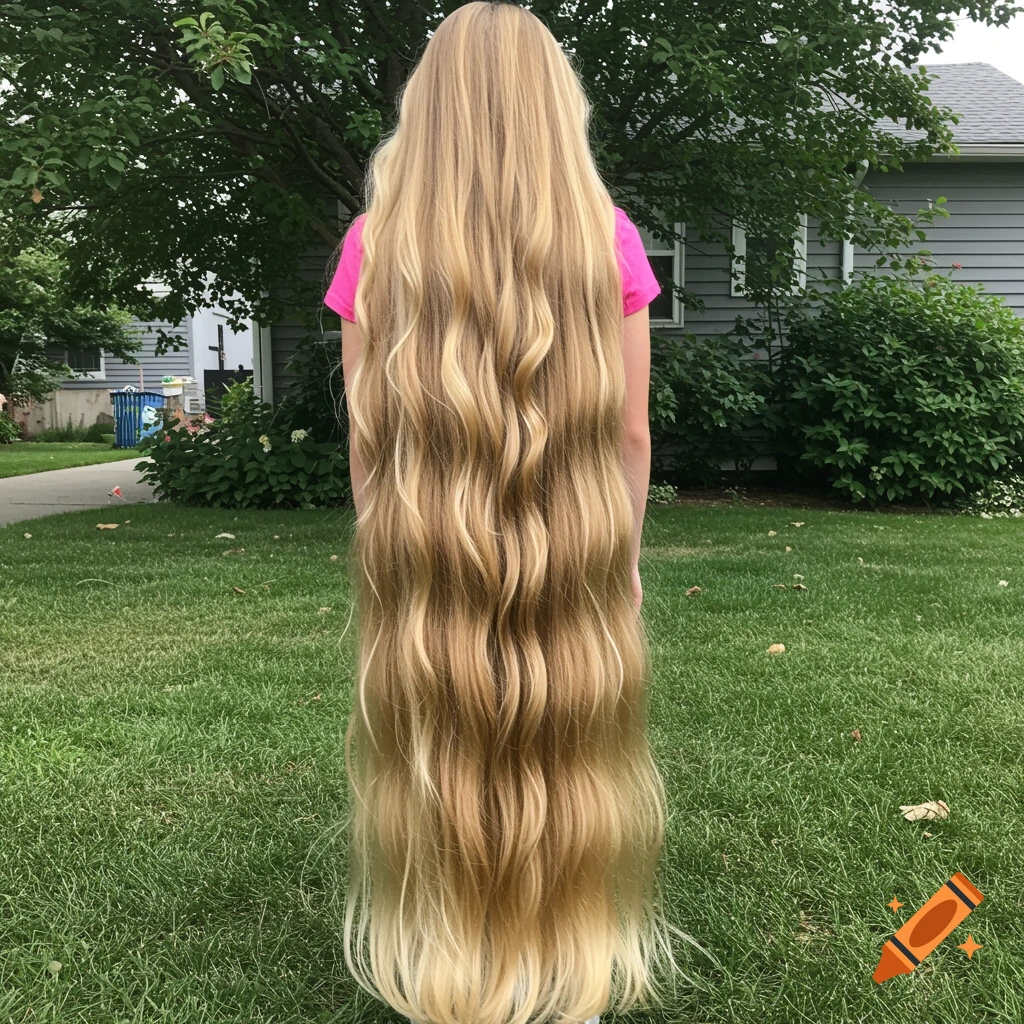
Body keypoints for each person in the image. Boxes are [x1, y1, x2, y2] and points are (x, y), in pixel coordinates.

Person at [322, 4, 683, 1022]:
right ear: (551, 108)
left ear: (424, 112)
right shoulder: (604, 241)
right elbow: (626, 436)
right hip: (570, 543)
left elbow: (368, 440)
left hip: (425, 543)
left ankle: (444, 948)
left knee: (441, 748)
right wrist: (620, 558)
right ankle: (561, 947)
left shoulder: (375, 244)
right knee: (561, 747)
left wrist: (386, 548)